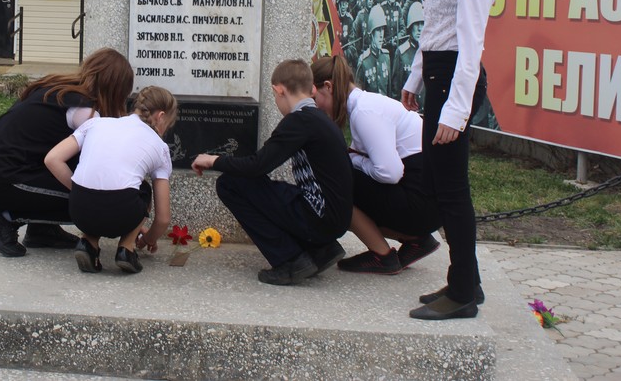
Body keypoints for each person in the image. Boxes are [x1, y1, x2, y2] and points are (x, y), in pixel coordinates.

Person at [401, 0, 497, 321]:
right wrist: (414, 79)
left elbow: (471, 41)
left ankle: (462, 294)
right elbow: (433, 27)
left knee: (452, 191)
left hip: (457, 77)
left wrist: (456, 111)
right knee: (439, 187)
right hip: (438, 72)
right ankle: (466, 281)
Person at [192, 59, 353, 286]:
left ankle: (289, 259)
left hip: (320, 218)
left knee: (229, 184)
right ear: (312, 89)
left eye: (275, 96)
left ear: (279, 91)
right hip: (335, 219)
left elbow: (258, 165)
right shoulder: (320, 118)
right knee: (267, 188)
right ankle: (321, 249)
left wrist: (213, 160)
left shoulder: (299, 121)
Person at [0, 48, 134, 258]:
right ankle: (4, 220)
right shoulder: (84, 111)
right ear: (115, 88)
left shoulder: (57, 89)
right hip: (5, 179)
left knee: (75, 170)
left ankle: (42, 230)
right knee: (90, 198)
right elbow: (99, 160)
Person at [310, 55, 441, 275]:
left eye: (315, 99)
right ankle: (416, 240)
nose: (315, 107)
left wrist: (355, 160)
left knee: (334, 185)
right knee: (345, 175)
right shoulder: (365, 104)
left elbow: (390, 173)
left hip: (422, 204)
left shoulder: (364, 111)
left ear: (328, 86)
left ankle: (383, 256)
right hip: (427, 200)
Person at [44, 86, 177, 274]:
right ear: (161, 116)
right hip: (122, 213)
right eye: (168, 124)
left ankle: (88, 244)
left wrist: (79, 192)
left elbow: (52, 159)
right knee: (144, 189)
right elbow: (163, 219)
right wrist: (147, 240)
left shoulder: (95, 124)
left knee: (94, 190)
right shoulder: (160, 147)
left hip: (79, 211)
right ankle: (126, 249)